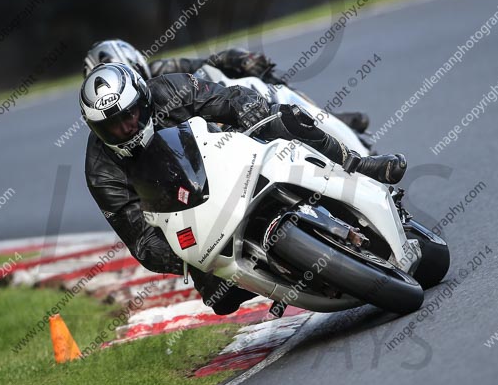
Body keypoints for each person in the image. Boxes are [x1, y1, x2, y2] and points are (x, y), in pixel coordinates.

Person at [83, 63, 407, 315]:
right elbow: (141, 241)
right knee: (221, 298)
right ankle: (284, 275)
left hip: (230, 160)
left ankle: (358, 164)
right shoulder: (101, 171)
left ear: (143, 98)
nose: (125, 127)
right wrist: (186, 257)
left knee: (287, 118)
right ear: (96, 128)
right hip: (195, 217)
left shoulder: (171, 89)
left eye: (131, 115)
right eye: (112, 125)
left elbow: (228, 98)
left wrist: (255, 113)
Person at [82, 39, 370, 134]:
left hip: (214, 118)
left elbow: (209, 61)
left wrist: (239, 58)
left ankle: (320, 119)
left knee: (256, 79)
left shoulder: (163, 72)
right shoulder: (111, 133)